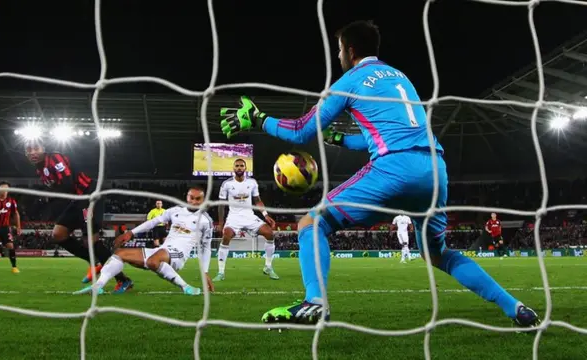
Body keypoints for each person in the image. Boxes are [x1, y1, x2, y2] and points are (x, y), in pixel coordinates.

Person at [219, 20, 540, 329]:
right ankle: (515, 307)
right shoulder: (400, 77)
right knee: (439, 253)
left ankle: (315, 300)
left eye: (339, 49)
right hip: (434, 169)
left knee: (311, 222)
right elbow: (389, 133)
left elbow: (302, 131)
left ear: (350, 49)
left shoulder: (351, 80)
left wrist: (259, 119)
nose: (338, 55)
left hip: (395, 167)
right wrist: (342, 140)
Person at [24, 140, 133, 293]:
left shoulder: (54, 159)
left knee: (91, 241)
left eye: (36, 148)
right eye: (29, 150)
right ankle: (94, 262)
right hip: (76, 200)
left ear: (44, 149)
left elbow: (67, 183)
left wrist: (49, 197)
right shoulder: (40, 170)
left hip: (89, 195)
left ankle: (123, 280)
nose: (32, 152)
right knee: (58, 234)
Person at [73, 186, 214, 295]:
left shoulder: (206, 221)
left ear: (203, 200)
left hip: (178, 255)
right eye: (191, 198)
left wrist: (205, 272)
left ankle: (186, 287)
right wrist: (131, 233)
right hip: (161, 250)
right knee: (120, 253)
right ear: (187, 197)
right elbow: (152, 222)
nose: (194, 201)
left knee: (154, 261)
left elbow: (206, 247)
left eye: (198, 199)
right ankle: (98, 287)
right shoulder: (175, 211)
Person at [214, 158, 278, 281]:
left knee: (269, 234)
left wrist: (265, 215)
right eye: (237, 166)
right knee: (226, 236)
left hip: (249, 216)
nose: (239, 168)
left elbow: (257, 200)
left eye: (241, 166)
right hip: (234, 217)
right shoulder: (227, 184)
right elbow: (221, 204)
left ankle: (268, 267)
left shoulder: (252, 182)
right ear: (233, 168)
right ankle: (221, 272)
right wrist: (221, 223)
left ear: (245, 168)